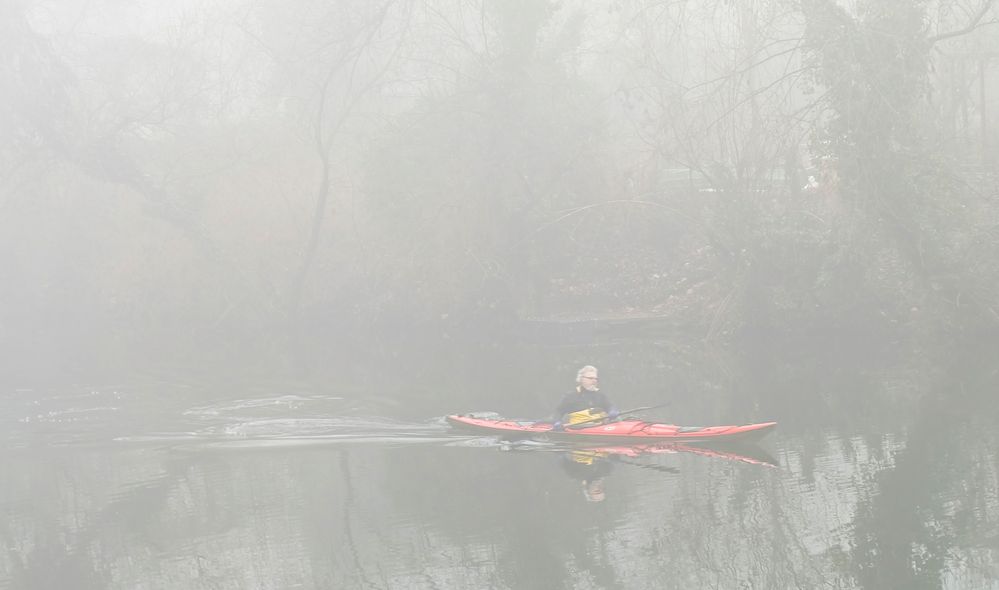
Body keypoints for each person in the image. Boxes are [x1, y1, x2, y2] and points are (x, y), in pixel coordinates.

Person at [552, 365, 618, 431]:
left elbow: (610, 406)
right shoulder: (571, 396)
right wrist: (557, 421)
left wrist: (612, 410)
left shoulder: (600, 395)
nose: (594, 381)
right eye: (590, 378)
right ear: (581, 379)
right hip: (579, 429)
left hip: (599, 427)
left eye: (595, 379)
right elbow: (558, 411)